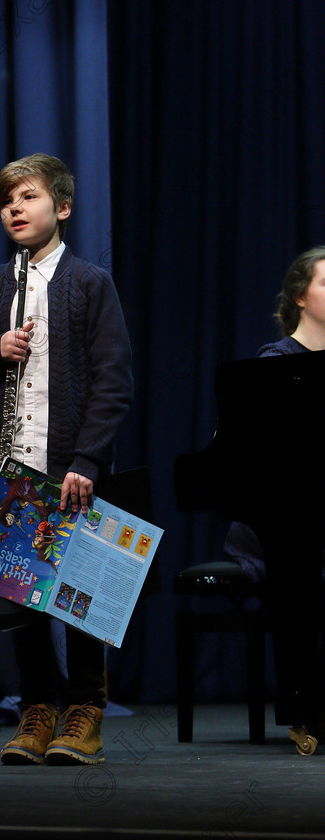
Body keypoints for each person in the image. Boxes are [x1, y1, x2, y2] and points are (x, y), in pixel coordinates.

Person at [0, 153, 133, 765]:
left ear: (63, 206)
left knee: (80, 601)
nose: (15, 210)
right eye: (7, 202)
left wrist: (88, 458)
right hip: (10, 467)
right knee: (21, 607)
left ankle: (85, 712)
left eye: (27, 198)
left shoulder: (90, 283)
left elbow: (113, 380)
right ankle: (37, 709)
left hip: (70, 468)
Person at [224, 245, 325, 753]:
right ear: (300, 297)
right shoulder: (275, 363)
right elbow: (264, 464)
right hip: (279, 523)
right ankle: (304, 709)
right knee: (302, 564)